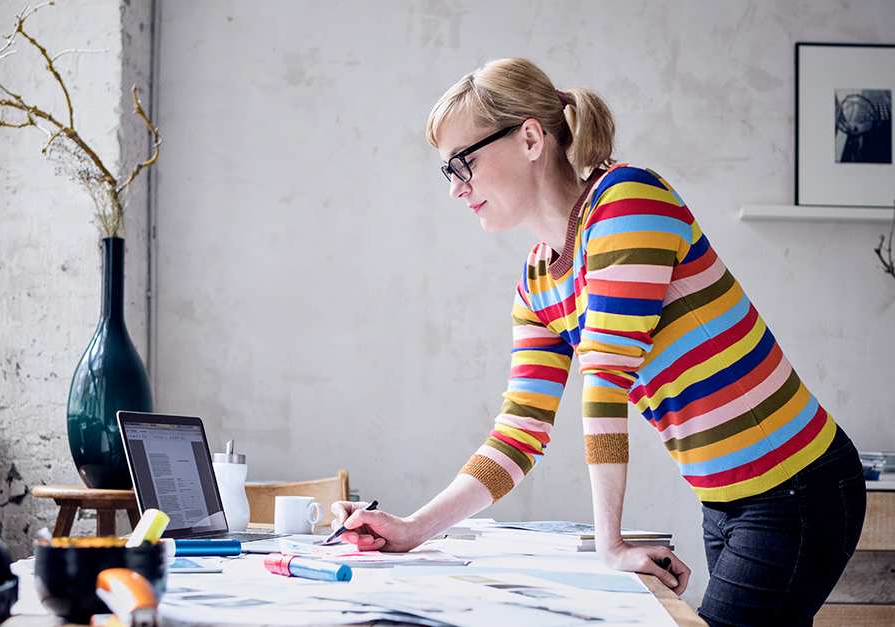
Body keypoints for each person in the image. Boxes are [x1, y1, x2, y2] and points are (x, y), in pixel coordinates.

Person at [330, 57, 866, 626]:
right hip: (728, 499)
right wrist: (412, 529)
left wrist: (610, 541)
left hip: (799, 487)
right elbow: (520, 433)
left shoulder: (628, 201)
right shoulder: (537, 282)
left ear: (531, 138)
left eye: (464, 163)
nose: (458, 189)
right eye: (448, 173)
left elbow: (606, 378)